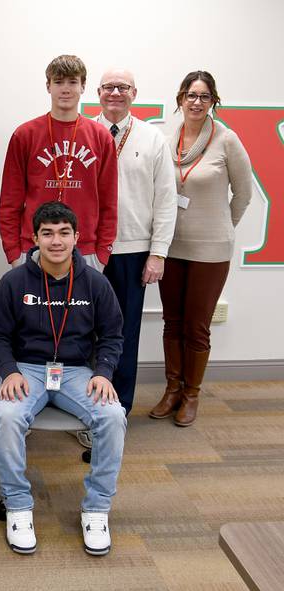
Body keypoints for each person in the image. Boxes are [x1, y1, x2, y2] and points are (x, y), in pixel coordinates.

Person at [0, 201, 126, 556]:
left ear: (77, 237)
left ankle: (96, 509)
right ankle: (17, 505)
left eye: (64, 233)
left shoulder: (94, 283)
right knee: (7, 415)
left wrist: (105, 372)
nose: (56, 241)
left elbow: (112, 335)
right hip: (27, 369)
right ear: (35, 238)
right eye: (47, 233)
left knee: (112, 416)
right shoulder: (14, 281)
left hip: (77, 372)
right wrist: (8, 371)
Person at [150, 71, 253, 427]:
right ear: (180, 99)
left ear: (213, 102)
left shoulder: (227, 140)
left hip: (211, 250)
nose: (197, 102)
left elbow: (244, 194)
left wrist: (223, 227)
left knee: (196, 326)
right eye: (191, 95)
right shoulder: (165, 139)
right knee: (171, 321)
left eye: (204, 97)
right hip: (171, 244)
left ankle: (191, 394)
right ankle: (172, 389)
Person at [96, 68, 177, 415]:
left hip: (133, 251)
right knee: (85, 330)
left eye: (123, 87)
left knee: (125, 332)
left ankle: (119, 407)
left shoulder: (151, 137)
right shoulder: (84, 132)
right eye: (109, 87)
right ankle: (88, 403)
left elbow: (166, 200)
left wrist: (158, 254)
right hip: (88, 251)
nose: (116, 92)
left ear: (134, 93)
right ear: (98, 92)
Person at [0, 55, 118, 272]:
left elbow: (109, 202)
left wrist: (102, 253)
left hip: (86, 251)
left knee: (81, 307)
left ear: (83, 86)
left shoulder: (101, 137)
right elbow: (10, 201)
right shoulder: (25, 134)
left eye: (72, 82)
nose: (65, 89)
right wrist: (13, 252)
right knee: (33, 307)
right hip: (33, 248)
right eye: (58, 81)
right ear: (48, 86)